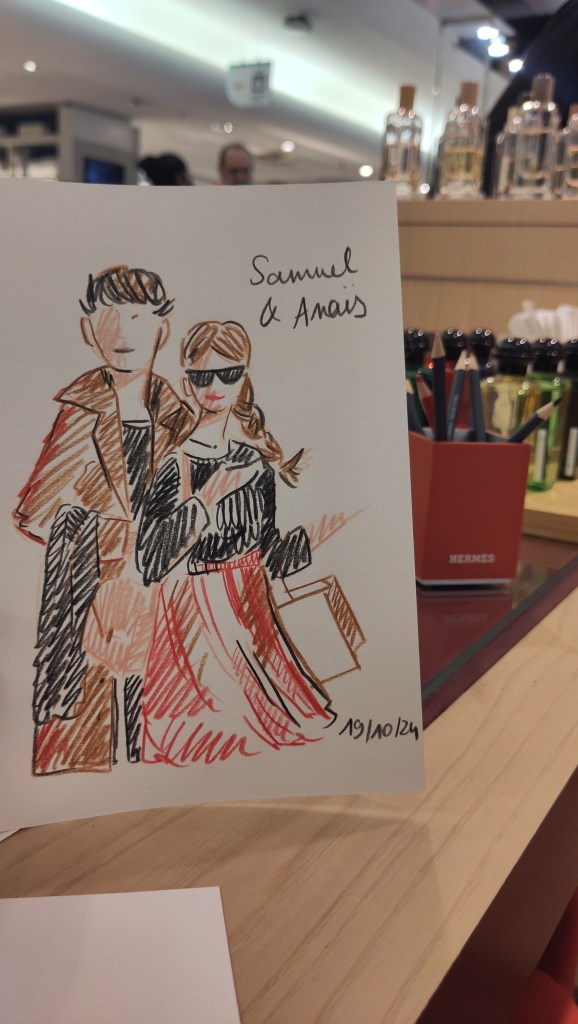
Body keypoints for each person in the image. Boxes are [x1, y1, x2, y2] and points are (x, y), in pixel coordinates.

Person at [14, 265, 196, 774]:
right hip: (87, 594)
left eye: (137, 317)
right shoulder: (79, 409)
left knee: (161, 734)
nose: (121, 331)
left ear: (162, 329)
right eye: (108, 316)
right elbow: (36, 512)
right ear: (87, 329)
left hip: (163, 592)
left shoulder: (178, 415)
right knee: (83, 737)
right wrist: (113, 541)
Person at [136, 319, 335, 765]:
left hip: (250, 605)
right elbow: (150, 560)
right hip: (194, 613)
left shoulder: (256, 464)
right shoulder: (173, 464)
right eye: (202, 376)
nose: (214, 387)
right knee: (208, 739)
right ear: (186, 383)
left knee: (277, 741)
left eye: (227, 374)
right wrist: (207, 497)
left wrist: (316, 535)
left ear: (244, 378)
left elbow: (269, 553)